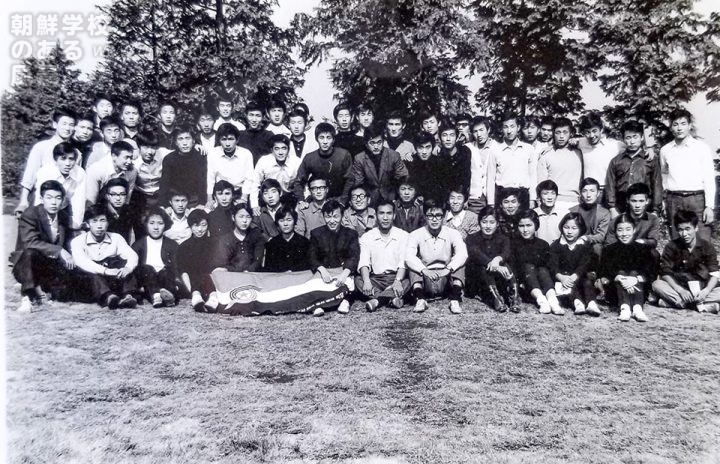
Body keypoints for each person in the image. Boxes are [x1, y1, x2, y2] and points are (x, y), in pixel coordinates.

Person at [12, 181, 74, 312]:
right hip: (26, 265)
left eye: (58, 198)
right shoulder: (30, 214)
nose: (53, 202)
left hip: (49, 265)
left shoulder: (63, 217)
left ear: (62, 201)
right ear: (41, 199)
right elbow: (30, 242)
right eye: (49, 197)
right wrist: (59, 250)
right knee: (30, 252)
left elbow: (68, 242)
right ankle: (27, 297)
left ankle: (43, 291)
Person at [660, 108, 715, 241]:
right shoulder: (665, 150)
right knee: (677, 240)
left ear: (690, 126)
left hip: (697, 200)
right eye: (675, 124)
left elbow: (709, 178)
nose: (679, 128)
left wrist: (709, 206)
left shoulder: (702, 148)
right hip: (674, 200)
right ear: (671, 127)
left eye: (683, 123)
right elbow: (664, 176)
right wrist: (663, 201)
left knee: (702, 240)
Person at [405, 199, 468, 314]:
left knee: (459, 263)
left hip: (446, 279)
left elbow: (463, 253)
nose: (434, 219)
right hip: (426, 279)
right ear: (425, 216)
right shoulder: (415, 234)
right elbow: (409, 256)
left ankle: (454, 299)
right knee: (413, 266)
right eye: (430, 215)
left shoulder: (453, 233)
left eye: (438, 215)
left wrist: (448, 269)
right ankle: (420, 299)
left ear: (444, 217)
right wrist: (423, 270)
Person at [70, 204, 139, 309]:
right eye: (94, 221)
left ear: (108, 223)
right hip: (90, 282)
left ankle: (128, 296)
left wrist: (128, 268)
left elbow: (132, 255)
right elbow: (82, 261)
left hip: (111, 279)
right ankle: (109, 297)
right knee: (91, 273)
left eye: (103, 220)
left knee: (122, 263)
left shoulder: (116, 238)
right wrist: (105, 270)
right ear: (87, 224)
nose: (99, 226)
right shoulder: (78, 241)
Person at [652, 209, 720, 313]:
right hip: (680, 287)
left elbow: (715, 273)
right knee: (657, 284)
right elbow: (665, 272)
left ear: (696, 228)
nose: (684, 234)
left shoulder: (706, 246)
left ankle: (677, 303)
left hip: (702, 288)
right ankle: (701, 306)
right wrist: (680, 290)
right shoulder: (671, 246)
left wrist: (706, 291)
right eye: (680, 230)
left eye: (688, 229)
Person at [16, 107, 77, 217]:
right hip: (40, 200)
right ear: (55, 124)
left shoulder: (75, 152)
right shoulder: (41, 147)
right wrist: (23, 201)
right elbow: (30, 176)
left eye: (71, 124)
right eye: (64, 124)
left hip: (64, 204)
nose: (67, 128)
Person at [598, 214, 655, 322]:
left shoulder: (643, 249)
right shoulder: (609, 250)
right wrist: (618, 277)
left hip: (638, 287)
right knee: (621, 272)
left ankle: (638, 309)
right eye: (620, 230)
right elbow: (604, 271)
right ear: (615, 231)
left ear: (634, 230)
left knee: (633, 272)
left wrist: (636, 279)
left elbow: (649, 271)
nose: (624, 234)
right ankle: (625, 308)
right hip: (616, 290)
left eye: (628, 229)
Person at [357, 199, 411, 311]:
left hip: (396, 277)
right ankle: (392, 298)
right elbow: (364, 262)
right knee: (358, 280)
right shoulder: (367, 237)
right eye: (381, 213)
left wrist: (397, 281)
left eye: (389, 213)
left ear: (394, 215)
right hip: (376, 279)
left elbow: (403, 262)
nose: (385, 218)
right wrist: (367, 282)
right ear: (376, 216)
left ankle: (378, 300)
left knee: (410, 280)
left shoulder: (404, 236)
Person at [308, 200, 360, 315]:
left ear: (341, 216)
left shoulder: (351, 234)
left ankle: (345, 301)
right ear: (324, 217)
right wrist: (322, 270)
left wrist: (345, 272)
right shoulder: (316, 233)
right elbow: (312, 256)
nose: (332, 221)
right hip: (324, 271)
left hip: (343, 271)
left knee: (349, 284)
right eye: (328, 217)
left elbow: (354, 256)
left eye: (336, 216)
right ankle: (319, 305)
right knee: (315, 285)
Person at [466, 206, 520, 313]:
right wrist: (492, 263)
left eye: (492, 222)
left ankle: (514, 297)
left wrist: (497, 259)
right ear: (479, 223)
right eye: (484, 222)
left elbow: (506, 252)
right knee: (483, 266)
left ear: (497, 224)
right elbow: (476, 254)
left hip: (498, 278)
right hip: (478, 279)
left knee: (505, 264)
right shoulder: (471, 238)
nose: (488, 226)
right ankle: (496, 298)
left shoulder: (503, 238)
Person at [605, 120, 662, 216]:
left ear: (642, 137)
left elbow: (657, 185)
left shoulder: (650, 159)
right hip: (621, 207)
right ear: (623, 139)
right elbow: (610, 185)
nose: (632, 141)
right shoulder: (616, 161)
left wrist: (656, 210)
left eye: (635, 137)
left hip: (645, 207)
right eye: (628, 138)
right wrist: (612, 208)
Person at [548, 212, 600, 316]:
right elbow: (553, 265)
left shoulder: (584, 246)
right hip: (563, 277)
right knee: (569, 286)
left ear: (580, 229)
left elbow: (584, 264)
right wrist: (561, 277)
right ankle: (578, 303)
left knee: (587, 282)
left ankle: (591, 303)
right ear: (561, 227)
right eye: (566, 227)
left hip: (579, 276)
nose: (569, 232)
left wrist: (575, 275)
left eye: (574, 228)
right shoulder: (556, 246)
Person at [512, 210, 564, 315]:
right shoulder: (514, 244)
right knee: (528, 266)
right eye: (521, 226)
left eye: (529, 225)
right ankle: (542, 301)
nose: (525, 229)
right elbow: (514, 267)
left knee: (542, 269)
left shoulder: (543, 244)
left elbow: (549, 265)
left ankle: (553, 301)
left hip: (542, 282)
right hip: (525, 284)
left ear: (536, 225)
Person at [487, 112, 537, 209]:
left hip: (523, 195)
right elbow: (490, 178)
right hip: (503, 196)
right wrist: (491, 203)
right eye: (505, 127)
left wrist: (532, 199)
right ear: (502, 129)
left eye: (512, 126)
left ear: (518, 128)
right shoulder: (495, 150)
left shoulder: (529, 149)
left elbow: (533, 176)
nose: (509, 131)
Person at [131, 207, 179, 308]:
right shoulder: (138, 245)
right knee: (147, 268)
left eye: (160, 223)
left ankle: (169, 295)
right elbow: (134, 267)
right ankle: (156, 296)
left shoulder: (172, 244)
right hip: (147, 278)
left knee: (166, 271)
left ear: (165, 225)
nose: (156, 227)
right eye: (152, 223)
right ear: (146, 224)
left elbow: (176, 266)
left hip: (164, 277)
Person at [294, 122, 353, 204]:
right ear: (316, 139)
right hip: (317, 200)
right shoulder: (310, 158)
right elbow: (298, 181)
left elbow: (350, 180)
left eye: (328, 138)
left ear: (333, 140)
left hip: (339, 199)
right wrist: (301, 200)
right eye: (321, 137)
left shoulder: (343, 155)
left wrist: (343, 200)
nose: (325, 142)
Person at [351, 122, 408, 205]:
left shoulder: (394, 155)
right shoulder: (359, 158)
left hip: (392, 197)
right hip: (370, 199)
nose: (376, 146)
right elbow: (358, 183)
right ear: (366, 144)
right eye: (372, 143)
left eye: (379, 142)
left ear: (383, 142)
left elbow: (403, 177)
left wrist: (397, 197)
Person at [33, 141, 87, 230]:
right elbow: (39, 200)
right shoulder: (45, 172)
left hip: (63, 209)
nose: (68, 163)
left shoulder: (80, 173)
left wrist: (76, 223)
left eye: (71, 159)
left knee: (68, 232)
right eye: (63, 158)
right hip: (43, 206)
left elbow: (79, 201)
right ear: (56, 160)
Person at [537, 117, 584, 213]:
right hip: (553, 203)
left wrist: (578, 141)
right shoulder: (546, 154)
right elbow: (541, 182)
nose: (561, 136)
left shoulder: (580, 152)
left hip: (576, 202)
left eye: (565, 132)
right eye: (558, 132)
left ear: (571, 133)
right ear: (553, 134)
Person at [577, 111, 624, 201]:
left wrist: (650, 148)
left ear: (601, 129)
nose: (591, 135)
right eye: (587, 132)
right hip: (589, 192)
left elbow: (634, 149)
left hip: (609, 191)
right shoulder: (581, 143)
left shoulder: (615, 145)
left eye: (594, 131)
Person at [177, 209, 217, 312]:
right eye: (196, 225)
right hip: (192, 284)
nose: (200, 229)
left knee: (205, 274)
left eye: (203, 225)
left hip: (212, 283)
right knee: (195, 273)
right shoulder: (184, 247)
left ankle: (213, 298)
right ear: (190, 226)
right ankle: (196, 297)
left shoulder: (214, 244)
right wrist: (192, 290)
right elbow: (183, 271)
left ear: (208, 225)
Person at [158, 125, 207, 208]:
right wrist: (165, 205)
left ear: (193, 141)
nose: (185, 143)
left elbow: (203, 182)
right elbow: (164, 184)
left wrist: (201, 203)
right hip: (175, 200)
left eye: (187, 138)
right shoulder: (169, 159)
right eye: (180, 139)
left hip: (194, 200)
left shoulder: (200, 157)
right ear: (176, 142)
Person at [206, 123, 254, 206]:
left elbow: (249, 178)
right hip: (221, 194)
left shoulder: (246, 154)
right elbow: (210, 177)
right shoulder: (213, 154)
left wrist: (243, 198)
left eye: (231, 139)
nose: (227, 144)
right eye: (224, 139)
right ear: (219, 140)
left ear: (237, 140)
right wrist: (210, 199)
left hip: (240, 194)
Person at [250, 134, 300, 212]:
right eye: (277, 149)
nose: (280, 152)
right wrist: (254, 205)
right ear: (272, 150)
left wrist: (302, 201)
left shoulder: (296, 162)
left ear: (288, 150)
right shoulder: (264, 161)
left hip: (289, 198)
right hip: (269, 198)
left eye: (284, 148)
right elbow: (255, 184)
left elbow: (303, 183)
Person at [130, 130, 165, 238]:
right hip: (141, 199)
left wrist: (197, 145)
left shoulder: (163, 154)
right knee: (141, 231)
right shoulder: (134, 163)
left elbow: (180, 151)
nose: (150, 152)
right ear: (139, 147)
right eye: (145, 147)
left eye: (153, 147)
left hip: (159, 197)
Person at [213, 203, 267, 273]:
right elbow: (223, 264)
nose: (244, 221)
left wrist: (248, 271)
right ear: (233, 217)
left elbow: (258, 261)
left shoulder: (257, 237)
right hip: (232, 277)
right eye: (241, 217)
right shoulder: (225, 239)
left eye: (248, 217)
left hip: (253, 276)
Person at [85, 140, 138, 206]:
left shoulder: (132, 171)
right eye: (126, 157)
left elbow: (126, 199)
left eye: (131, 158)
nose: (129, 161)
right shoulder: (96, 170)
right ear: (114, 156)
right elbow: (91, 201)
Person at [570, 178, 612, 256]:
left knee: (597, 248)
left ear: (598, 193)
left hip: (592, 245)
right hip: (574, 243)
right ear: (580, 193)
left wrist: (585, 238)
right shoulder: (572, 211)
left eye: (592, 191)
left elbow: (601, 236)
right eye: (584, 191)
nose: (588, 195)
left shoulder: (604, 213)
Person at [263, 204, 311, 272]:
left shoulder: (304, 242)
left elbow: (308, 267)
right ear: (277, 223)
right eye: (281, 221)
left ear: (295, 221)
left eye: (289, 220)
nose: (285, 224)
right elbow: (268, 269)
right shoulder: (272, 244)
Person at [435, 119, 471, 200]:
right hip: (445, 199)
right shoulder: (438, 156)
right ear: (440, 138)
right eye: (444, 135)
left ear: (457, 137)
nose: (448, 139)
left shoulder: (465, 152)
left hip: (463, 198)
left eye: (452, 135)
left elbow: (466, 179)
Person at [466, 116, 496, 213]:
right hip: (474, 199)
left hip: (495, 198)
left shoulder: (498, 147)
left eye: (481, 130)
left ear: (489, 130)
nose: (479, 134)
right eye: (475, 131)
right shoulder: (467, 148)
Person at [406, 131, 442, 203]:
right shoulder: (409, 162)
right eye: (420, 147)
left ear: (433, 147)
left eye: (428, 147)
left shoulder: (439, 163)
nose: (424, 152)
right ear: (415, 148)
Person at [237, 101, 274, 165]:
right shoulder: (239, 135)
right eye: (251, 115)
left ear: (262, 117)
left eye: (258, 116)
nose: (254, 119)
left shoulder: (269, 136)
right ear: (246, 115)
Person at [103, 178, 134, 242]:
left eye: (122, 194)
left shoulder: (129, 212)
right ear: (107, 196)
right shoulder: (100, 212)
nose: (118, 198)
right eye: (113, 194)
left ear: (127, 196)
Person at [533, 180, 562, 245]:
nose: (550, 197)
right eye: (545, 193)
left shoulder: (564, 214)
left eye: (553, 193)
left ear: (556, 196)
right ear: (539, 196)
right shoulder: (532, 214)